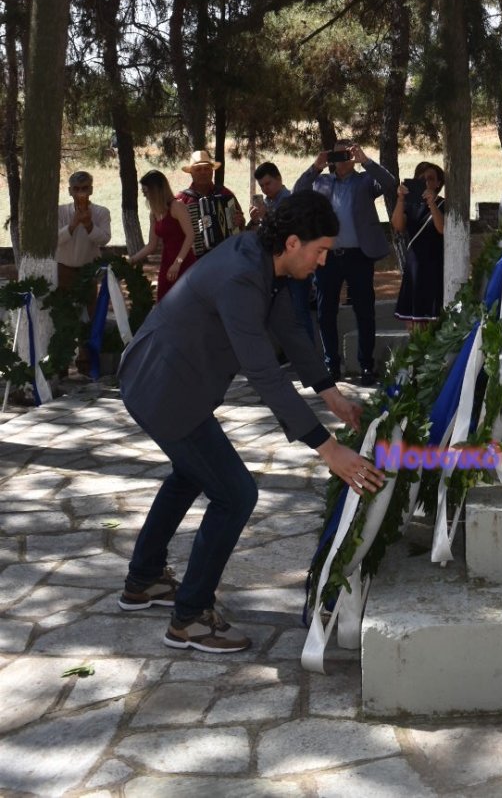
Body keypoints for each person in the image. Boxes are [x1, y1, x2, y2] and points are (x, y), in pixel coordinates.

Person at [116, 191, 384, 655]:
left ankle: (143, 579)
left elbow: (289, 331)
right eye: (319, 251)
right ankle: (190, 618)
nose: (322, 263)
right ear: (294, 241)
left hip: (166, 382)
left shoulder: (264, 260)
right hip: (163, 387)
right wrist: (327, 448)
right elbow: (263, 371)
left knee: (189, 474)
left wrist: (331, 394)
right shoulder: (243, 277)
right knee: (236, 493)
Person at [294, 139, 396, 387]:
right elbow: (298, 192)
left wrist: (366, 161)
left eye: (346, 155)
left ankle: (366, 366)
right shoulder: (322, 182)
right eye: (337, 156)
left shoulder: (364, 182)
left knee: (365, 311)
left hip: (358, 255)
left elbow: (390, 183)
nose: (342, 161)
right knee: (326, 311)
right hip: (327, 257)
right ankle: (331, 364)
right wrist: (315, 167)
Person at [250, 161, 315, 341]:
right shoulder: (266, 204)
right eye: (262, 186)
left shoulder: (290, 200)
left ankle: (309, 356)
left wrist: (266, 216)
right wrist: (255, 221)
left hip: (294, 268)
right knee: (280, 315)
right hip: (274, 268)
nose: (265, 189)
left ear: (279, 179)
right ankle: (289, 355)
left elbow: (288, 232)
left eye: (268, 183)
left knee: (300, 312)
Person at [392, 162, 445, 329]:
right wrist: (401, 199)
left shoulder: (443, 204)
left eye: (431, 179)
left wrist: (432, 204)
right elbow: (398, 225)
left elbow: (442, 228)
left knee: (434, 321)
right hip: (414, 268)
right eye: (422, 179)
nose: (426, 182)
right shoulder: (410, 205)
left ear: (438, 183)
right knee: (413, 324)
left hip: (435, 267)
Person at [130, 171, 197, 301]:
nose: (145, 196)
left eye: (146, 192)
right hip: (167, 263)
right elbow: (151, 245)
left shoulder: (177, 206)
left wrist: (177, 263)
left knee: (185, 303)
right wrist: (131, 260)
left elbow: (190, 235)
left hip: (184, 262)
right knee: (164, 301)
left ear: (156, 190)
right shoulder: (154, 214)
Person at [178, 150, 245, 258]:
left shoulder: (225, 194)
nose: (203, 172)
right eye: (198, 169)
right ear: (191, 172)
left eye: (207, 169)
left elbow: (241, 225)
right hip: (195, 259)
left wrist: (239, 221)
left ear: (212, 171)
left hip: (225, 255)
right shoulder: (182, 199)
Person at [56, 170, 112, 292]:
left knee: (89, 308)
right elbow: (55, 240)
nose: (80, 193)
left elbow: (104, 240)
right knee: (64, 308)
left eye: (84, 188)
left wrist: (88, 225)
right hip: (64, 270)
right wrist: (73, 223)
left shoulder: (102, 212)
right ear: (70, 191)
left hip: (89, 270)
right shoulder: (60, 211)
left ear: (90, 190)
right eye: (76, 189)